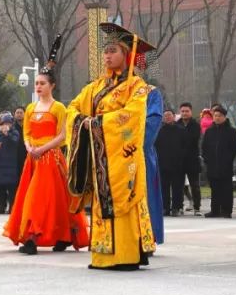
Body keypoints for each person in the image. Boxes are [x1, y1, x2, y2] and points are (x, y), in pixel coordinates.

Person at [67, 23, 156, 270]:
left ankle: (126, 254)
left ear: (126, 55)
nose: (107, 56)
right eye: (105, 51)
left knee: (124, 197)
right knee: (101, 200)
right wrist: (82, 122)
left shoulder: (136, 86)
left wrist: (98, 123)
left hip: (123, 155)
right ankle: (104, 255)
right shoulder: (95, 86)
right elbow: (74, 108)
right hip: (101, 155)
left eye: (113, 51)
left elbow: (134, 116)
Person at [4, 36, 89, 255]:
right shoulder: (31, 108)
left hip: (50, 158)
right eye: (37, 83)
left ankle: (34, 236)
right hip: (33, 158)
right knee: (45, 198)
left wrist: (42, 149)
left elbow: (63, 135)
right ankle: (56, 235)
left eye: (42, 83)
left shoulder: (59, 107)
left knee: (44, 199)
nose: (39, 86)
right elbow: (26, 132)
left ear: (52, 85)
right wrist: (30, 146)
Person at [202, 106, 236, 217]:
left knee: (226, 189)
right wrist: (207, 159)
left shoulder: (231, 131)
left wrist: (228, 158)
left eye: (220, 116)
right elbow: (204, 147)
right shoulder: (209, 131)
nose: (217, 118)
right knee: (214, 189)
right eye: (215, 116)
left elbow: (235, 147)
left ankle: (226, 210)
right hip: (212, 165)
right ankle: (214, 210)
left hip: (226, 165)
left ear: (224, 117)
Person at [143, 85, 165, 242]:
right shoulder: (103, 89)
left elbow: (152, 123)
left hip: (138, 153)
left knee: (145, 196)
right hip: (110, 153)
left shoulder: (149, 92)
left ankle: (145, 236)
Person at [155, 108, 183, 217]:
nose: (167, 117)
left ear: (173, 116)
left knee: (177, 187)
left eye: (169, 115)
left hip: (177, 164)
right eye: (165, 115)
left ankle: (176, 207)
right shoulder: (159, 130)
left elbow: (185, 146)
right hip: (163, 163)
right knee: (164, 187)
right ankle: (165, 207)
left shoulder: (180, 130)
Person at [0, 115, 21, 214]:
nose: (5, 125)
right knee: (1, 188)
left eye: (8, 123)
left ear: (11, 124)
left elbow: (15, 141)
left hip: (11, 164)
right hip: (0, 163)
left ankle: (12, 208)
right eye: (4, 124)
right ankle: (1, 207)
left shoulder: (14, 132)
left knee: (12, 189)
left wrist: (7, 134)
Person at [176, 102, 203, 215]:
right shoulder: (176, 124)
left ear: (191, 112)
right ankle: (179, 207)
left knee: (194, 185)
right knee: (179, 185)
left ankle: (196, 207)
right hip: (179, 160)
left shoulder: (195, 125)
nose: (184, 113)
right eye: (182, 111)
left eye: (187, 111)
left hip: (192, 159)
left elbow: (193, 139)